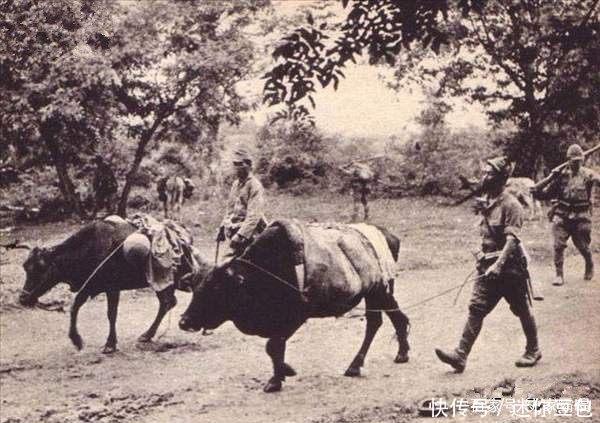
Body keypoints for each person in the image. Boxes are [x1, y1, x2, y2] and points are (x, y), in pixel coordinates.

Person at [435, 156, 541, 372]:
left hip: (509, 268)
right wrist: (477, 251)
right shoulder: (488, 203)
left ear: (500, 178)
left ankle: (533, 349)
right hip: (487, 267)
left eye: (489, 173)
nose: (484, 176)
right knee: (476, 307)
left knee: (521, 308)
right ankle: (460, 355)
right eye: (484, 172)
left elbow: (512, 240)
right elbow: (481, 232)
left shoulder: (511, 205)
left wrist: (499, 265)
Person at [532, 144, 600, 285]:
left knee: (582, 245)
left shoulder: (589, 175)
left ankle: (589, 263)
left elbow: (597, 181)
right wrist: (549, 179)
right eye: (573, 161)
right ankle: (559, 274)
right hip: (562, 214)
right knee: (558, 245)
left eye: (578, 161)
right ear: (568, 160)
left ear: (582, 160)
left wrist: (595, 180)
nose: (575, 163)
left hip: (581, 215)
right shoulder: (560, 177)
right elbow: (544, 194)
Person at [216, 147, 267, 263]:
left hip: (251, 235)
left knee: (226, 265)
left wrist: (241, 235)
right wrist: (222, 227)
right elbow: (230, 210)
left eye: (239, 164)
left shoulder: (255, 185)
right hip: (234, 232)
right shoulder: (235, 184)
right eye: (234, 164)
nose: (236, 167)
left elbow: (254, 216)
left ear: (248, 165)